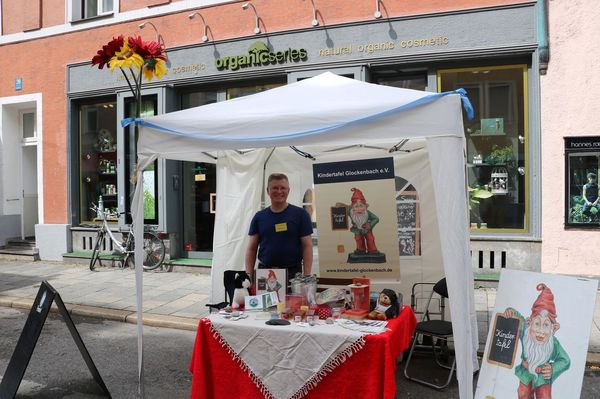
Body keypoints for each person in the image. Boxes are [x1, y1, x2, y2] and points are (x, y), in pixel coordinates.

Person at [245, 173, 313, 292]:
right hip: (264, 273)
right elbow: (251, 248)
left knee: (292, 309)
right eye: (275, 188)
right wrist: (248, 274)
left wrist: (306, 276)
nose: (279, 191)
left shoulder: (301, 215)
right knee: (265, 308)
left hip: (292, 274)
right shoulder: (259, 217)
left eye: (283, 188)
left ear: (288, 190)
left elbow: (307, 246)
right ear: (268, 190)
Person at [503, 283, 570, 399]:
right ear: (529, 323)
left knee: (544, 397)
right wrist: (510, 311)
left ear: (553, 329)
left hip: (543, 377)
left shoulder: (553, 343)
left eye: (546, 325)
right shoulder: (525, 331)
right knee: (523, 394)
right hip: (526, 373)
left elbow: (565, 360)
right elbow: (517, 317)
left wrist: (553, 369)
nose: (540, 331)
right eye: (537, 323)